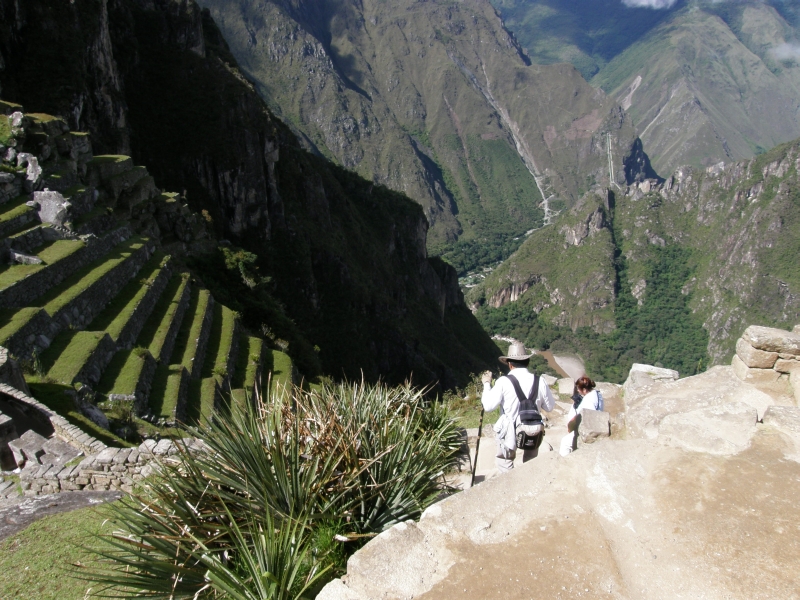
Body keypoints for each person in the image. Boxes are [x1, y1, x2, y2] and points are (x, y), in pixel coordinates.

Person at [480, 342, 556, 473]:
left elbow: (488, 406)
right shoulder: (540, 381)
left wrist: (486, 384)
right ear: (527, 362)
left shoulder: (504, 381)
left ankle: (509, 485)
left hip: (509, 429)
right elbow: (549, 407)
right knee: (531, 460)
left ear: (510, 364)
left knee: (505, 461)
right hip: (532, 427)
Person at [559, 375, 603, 456]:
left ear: (584, 389)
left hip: (588, 430)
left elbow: (590, 415)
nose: (578, 391)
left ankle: (564, 463)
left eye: (579, 389)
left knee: (565, 443)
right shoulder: (597, 394)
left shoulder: (589, 400)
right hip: (596, 426)